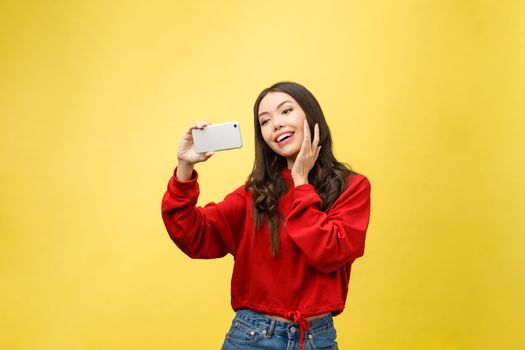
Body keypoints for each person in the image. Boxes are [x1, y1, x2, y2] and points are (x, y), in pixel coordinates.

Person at [161, 81, 371, 350]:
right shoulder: (256, 193)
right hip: (252, 337)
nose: (276, 124)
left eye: (286, 111)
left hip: (316, 339)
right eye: (265, 121)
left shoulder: (353, 187)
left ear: (310, 114)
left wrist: (301, 182)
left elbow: (329, 250)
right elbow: (194, 235)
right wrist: (184, 167)